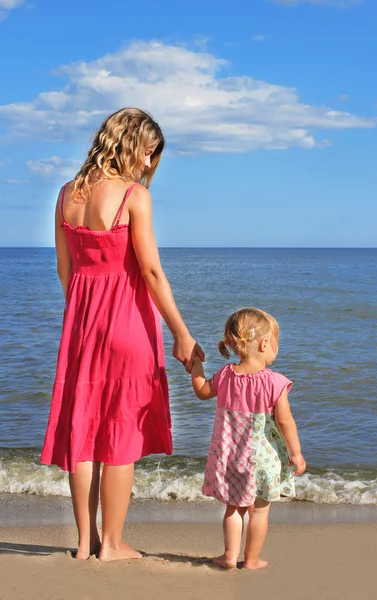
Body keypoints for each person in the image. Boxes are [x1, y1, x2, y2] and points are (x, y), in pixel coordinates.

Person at [40, 107, 204, 562]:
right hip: (128, 323)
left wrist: (84, 315)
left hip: (81, 324)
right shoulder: (134, 195)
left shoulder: (66, 194)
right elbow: (150, 271)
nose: (150, 165)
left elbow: (65, 271)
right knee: (120, 433)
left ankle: (84, 543)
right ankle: (111, 545)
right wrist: (181, 334)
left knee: (84, 431)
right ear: (132, 146)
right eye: (149, 153)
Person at [190, 307, 305, 570]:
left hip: (230, 458)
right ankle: (251, 560)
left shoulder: (226, 375)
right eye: (276, 343)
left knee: (234, 509)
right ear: (265, 344)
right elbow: (286, 422)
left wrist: (196, 365)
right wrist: (295, 453)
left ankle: (229, 556)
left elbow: (201, 391)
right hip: (263, 460)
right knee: (260, 510)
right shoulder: (275, 382)